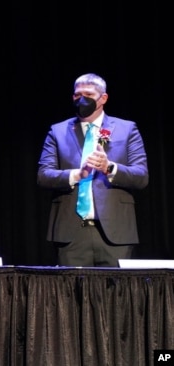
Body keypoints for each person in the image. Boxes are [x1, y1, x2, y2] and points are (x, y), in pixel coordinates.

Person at [37, 73, 148, 267]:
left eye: (88, 94)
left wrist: (109, 168)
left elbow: (141, 176)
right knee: (71, 295)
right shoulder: (57, 131)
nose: (81, 99)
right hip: (71, 234)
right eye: (76, 95)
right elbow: (44, 175)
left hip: (115, 233)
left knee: (114, 295)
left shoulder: (127, 129)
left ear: (103, 98)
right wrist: (77, 175)